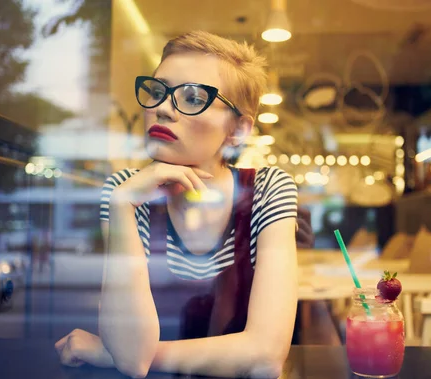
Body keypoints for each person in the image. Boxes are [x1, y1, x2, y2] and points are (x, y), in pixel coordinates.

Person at [55, 31, 299, 378]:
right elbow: (130, 357)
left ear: (239, 131)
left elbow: (264, 355)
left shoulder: (267, 189)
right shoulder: (126, 192)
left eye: (192, 97)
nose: (162, 108)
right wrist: (123, 204)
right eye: (157, 92)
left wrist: (107, 353)